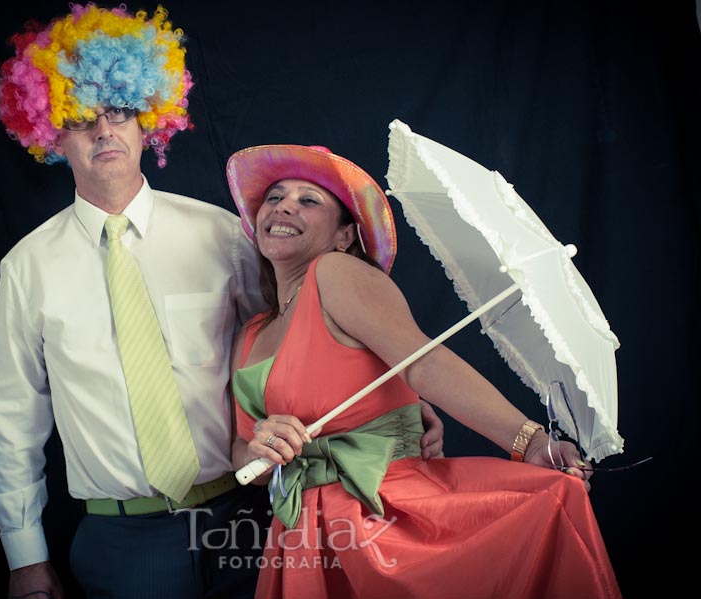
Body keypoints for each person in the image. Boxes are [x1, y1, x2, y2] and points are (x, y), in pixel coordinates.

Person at [0, 6, 445, 599]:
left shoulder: (224, 235)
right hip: (122, 540)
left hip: (247, 514)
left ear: (148, 119)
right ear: (48, 132)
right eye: (79, 118)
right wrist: (24, 555)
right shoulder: (26, 269)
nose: (104, 132)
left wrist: (393, 408)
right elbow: (14, 420)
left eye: (119, 111)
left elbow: (296, 343)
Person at [226, 144, 622, 598]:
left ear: (344, 236)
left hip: (389, 521)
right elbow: (243, 456)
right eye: (275, 197)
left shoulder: (335, 272)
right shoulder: (251, 332)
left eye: (308, 200)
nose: (284, 206)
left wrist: (529, 440)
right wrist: (263, 447)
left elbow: (426, 365)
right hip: (303, 533)